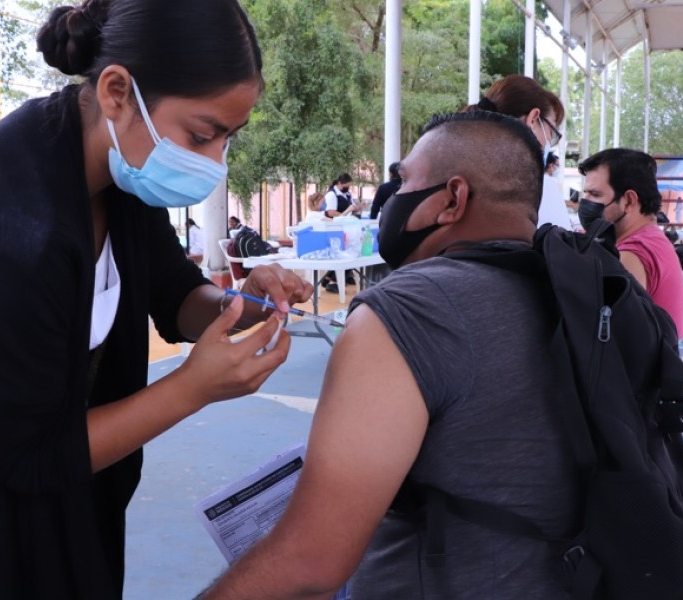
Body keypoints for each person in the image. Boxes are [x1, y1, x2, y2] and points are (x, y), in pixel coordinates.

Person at [0, 1, 313, 598]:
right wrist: (193, 388)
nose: (214, 162)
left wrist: (241, 303)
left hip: (84, 499)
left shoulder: (123, 172)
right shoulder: (6, 229)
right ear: (117, 90)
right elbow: (31, 456)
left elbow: (175, 295)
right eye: (202, 134)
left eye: (227, 138)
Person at [198, 110, 579, 599]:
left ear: (452, 199)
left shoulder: (410, 311)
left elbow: (309, 563)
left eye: (402, 184)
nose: (392, 200)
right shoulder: (589, 291)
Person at [577, 148, 683, 339]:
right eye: (585, 193)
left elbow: (599, 332)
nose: (585, 203)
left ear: (629, 201)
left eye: (595, 195)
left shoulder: (632, 255)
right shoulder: (650, 237)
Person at [466, 74, 572, 231]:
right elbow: (561, 253)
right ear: (533, 119)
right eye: (551, 131)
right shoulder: (537, 188)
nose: (549, 141)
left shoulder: (459, 173)